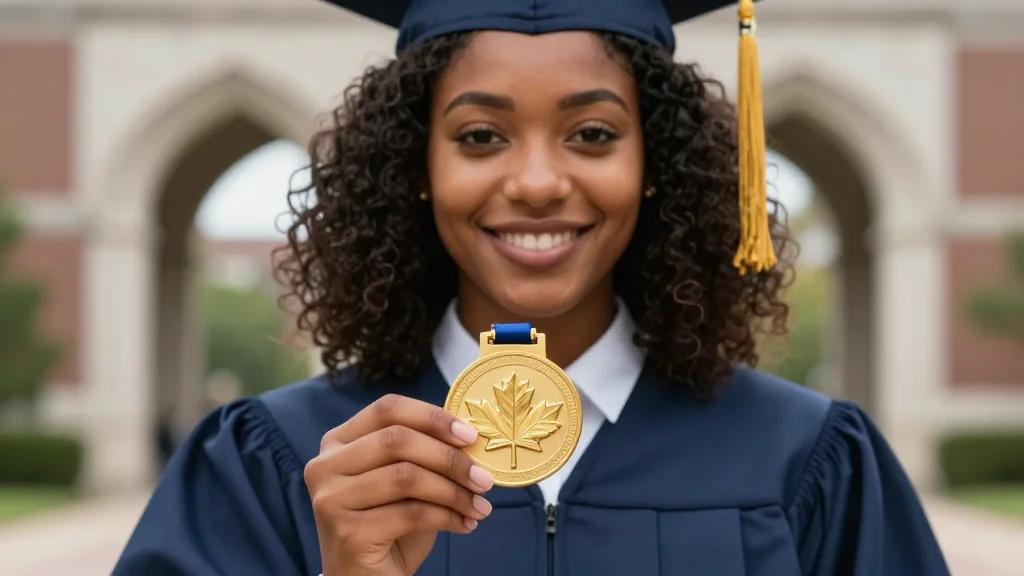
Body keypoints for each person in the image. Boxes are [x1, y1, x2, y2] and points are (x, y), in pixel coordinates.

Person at [114, 0, 950, 574]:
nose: (540, 181)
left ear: (655, 165)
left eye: (593, 134)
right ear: (417, 166)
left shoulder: (804, 460)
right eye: (481, 136)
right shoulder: (280, 463)